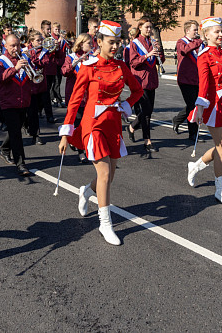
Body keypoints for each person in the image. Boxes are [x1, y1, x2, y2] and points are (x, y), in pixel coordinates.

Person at [58, 20, 143, 245]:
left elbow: (137, 90)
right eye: (111, 43)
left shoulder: (121, 67)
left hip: (113, 124)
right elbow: (75, 102)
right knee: (104, 174)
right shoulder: (89, 67)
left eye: (118, 43)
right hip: (92, 125)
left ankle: (86, 191)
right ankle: (105, 223)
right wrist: (66, 132)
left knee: (109, 176)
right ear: (100, 42)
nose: (115, 47)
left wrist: (126, 105)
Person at [186, 18, 222, 207]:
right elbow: (203, 83)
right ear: (206, 35)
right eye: (216, 32)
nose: (220, 35)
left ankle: (195, 166)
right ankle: (220, 190)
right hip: (213, 105)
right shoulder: (204, 56)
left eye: (221, 31)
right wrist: (200, 107)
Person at [0, 34, 36, 176]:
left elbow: (32, 77)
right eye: (12, 45)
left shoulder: (24, 58)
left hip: (24, 101)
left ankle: (5, 149)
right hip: (8, 102)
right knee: (16, 133)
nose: (15, 48)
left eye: (17, 45)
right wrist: (16, 68)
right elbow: (0, 77)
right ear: (5, 46)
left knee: (16, 129)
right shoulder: (0, 61)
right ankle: (21, 164)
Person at [128, 17, 165, 152]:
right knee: (146, 112)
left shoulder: (152, 42)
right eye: (147, 27)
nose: (149, 30)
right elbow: (133, 62)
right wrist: (147, 54)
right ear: (140, 28)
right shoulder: (135, 44)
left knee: (148, 111)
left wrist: (160, 51)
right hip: (140, 81)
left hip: (151, 80)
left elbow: (159, 60)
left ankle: (132, 126)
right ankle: (147, 140)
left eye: (150, 27)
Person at [61, 33, 93, 163]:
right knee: (78, 123)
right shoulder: (71, 57)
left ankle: (82, 146)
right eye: (89, 44)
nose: (92, 46)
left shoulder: (92, 58)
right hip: (75, 96)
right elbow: (64, 72)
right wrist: (74, 64)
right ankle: (81, 151)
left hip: (89, 97)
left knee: (88, 124)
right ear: (81, 44)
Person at [171, 20, 204, 141]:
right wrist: (199, 41)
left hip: (197, 79)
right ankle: (193, 134)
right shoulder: (181, 42)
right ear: (187, 31)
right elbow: (184, 50)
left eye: (197, 30)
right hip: (185, 80)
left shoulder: (198, 44)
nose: (196, 32)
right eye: (194, 30)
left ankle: (177, 119)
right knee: (192, 106)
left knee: (195, 104)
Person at [26, 30, 55, 144]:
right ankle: (35, 133)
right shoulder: (25, 50)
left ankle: (34, 131)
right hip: (28, 84)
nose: (41, 42)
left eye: (41, 39)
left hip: (40, 84)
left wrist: (32, 59)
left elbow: (44, 63)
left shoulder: (44, 52)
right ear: (32, 42)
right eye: (38, 40)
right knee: (30, 111)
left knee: (36, 109)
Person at [49, 21, 68, 108]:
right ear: (53, 29)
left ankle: (54, 97)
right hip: (54, 62)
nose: (57, 31)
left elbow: (68, 46)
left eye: (59, 29)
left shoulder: (61, 38)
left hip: (61, 62)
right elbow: (53, 50)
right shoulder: (52, 38)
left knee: (58, 81)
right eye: (56, 29)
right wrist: (58, 42)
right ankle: (58, 99)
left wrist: (67, 41)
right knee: (56, 81)